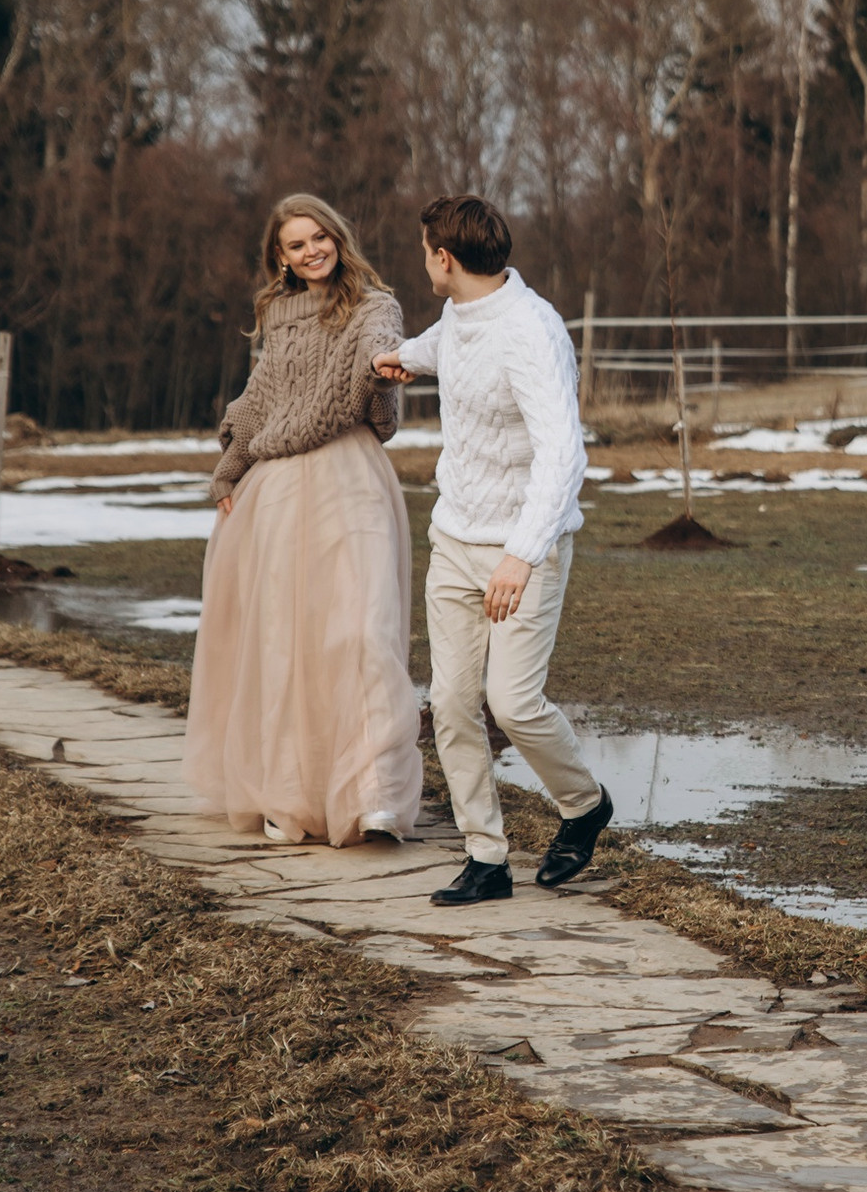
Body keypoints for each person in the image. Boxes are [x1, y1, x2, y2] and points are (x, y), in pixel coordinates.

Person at [373, 195, 611, 906]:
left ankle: (585, 804)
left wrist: (521, 553)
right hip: (455, 537)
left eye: (425, 252)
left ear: (444, 258)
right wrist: (402, 358)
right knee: (449, 701)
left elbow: (564, 455)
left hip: (520, 549)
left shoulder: (532, 331)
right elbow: (448, 344)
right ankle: (486, 855)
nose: (424, 262)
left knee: (512, 702)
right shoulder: (463, 310)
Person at [184, 193, 420, 847]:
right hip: (281, 490)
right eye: (296, 243)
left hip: (351, 482)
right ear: (279, 257)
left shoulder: (374, 304)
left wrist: (379, 367)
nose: (312, 250)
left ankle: (372, 794)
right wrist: (230, 466)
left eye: (320, 236)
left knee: (363, 633)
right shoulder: (278, 315)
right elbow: (263, 399)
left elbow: (378, 346)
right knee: (286, 641)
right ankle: (288, 795)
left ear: (338, 238)